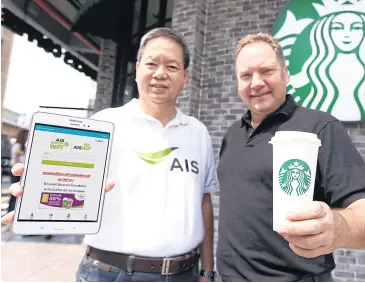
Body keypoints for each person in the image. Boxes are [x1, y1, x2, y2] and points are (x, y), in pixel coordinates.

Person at [1, 28, 217, 282]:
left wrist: (207, 270)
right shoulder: (104, 124)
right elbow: (72, 182)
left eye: (171, 66)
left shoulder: (198, 133)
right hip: (109, 273)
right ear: (137, 69)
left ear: (185, 76)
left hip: (184, 275)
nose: (160, 73)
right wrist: (43, 191)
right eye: (151, 64)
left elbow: (204, 201)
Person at [216, 32, 365, 282]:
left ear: (285, 73)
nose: (256, 82)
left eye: (267, 71)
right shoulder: (232, 134)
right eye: (246, 75)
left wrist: (338, 228)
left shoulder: (320, 126)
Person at [8, 129, 28, 213]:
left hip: (22, 171)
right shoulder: (17, 145)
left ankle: (16, 210)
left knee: (20, 193)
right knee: (15, 193)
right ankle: (11, 211)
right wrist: (18, 172)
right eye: (26, 135)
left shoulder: (24, 146)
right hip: (17, 172)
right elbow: (15, 158)